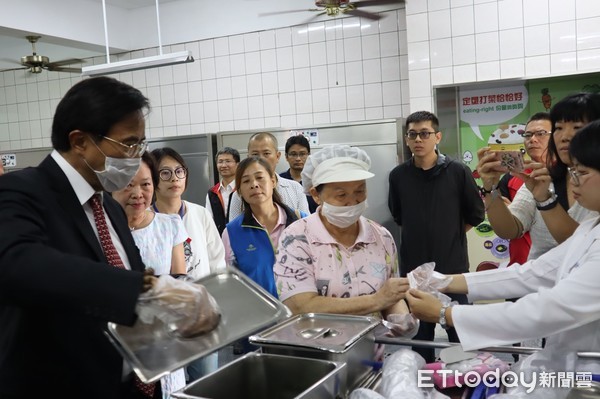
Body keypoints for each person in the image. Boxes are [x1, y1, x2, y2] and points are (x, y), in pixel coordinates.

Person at [0, 76, 202, 399]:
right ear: (80, 141)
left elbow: (127, 280)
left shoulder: (109, 204)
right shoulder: (21, 192)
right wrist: (144, 289)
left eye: (141, 145)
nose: (136, 157)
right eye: (128, 144)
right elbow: (17, 264)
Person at [407, 120, 600, 389]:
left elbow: (546, 310)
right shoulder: (591, 228)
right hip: (568, 367)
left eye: (581, 172)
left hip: (587, 375)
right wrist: (438, 280)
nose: (573, 180)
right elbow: (533, 272)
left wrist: (446, 314)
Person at [274, 145, 413, 332]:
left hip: (372, 351)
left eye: (359, 191)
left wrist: (403, 321)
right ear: (315, 195)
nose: (353, 201)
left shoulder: (381, 237)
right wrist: (375, 300)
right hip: (320, 354)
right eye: (341, 195)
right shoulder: (297, 239)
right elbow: (301, 306)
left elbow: (390, 298)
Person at [387, 110, 485, 362]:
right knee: (421, 340)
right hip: (415, 272)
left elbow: (475, 214)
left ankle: (462, 382)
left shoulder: (458, 172)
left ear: (437, 137)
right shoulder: (398, 176)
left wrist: (449, 232)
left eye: (425, 133)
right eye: (412, 134)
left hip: (452, 271)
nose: (418, 139)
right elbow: (399, 216)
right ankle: (425, 384)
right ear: (407, 139)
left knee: (460, 337)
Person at [477, 93, 600, 260]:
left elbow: (582, 248)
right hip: (539, 279)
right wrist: (491, 187)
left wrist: (545, 201)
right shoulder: (539, 180)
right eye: (559, 128)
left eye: (577, 127)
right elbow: (509, 230)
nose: (565, 137)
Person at [112, 151, 187, 397]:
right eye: (127, 185)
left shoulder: (170, 225)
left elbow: (179, 280)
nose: (137, 193)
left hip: (161, 343)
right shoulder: (102, 233)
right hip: (116, 347)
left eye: (145, 185)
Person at [151, 146, 225, 382]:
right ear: (153, 178)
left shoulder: (200, 213)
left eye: (179, 171)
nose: (174, 178)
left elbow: (216, 259)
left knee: (205, 382)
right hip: (162, 320)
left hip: (200, 315)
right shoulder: (147, 220)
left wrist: (214, 304)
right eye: (165, 173)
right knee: (170, 385)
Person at [222, 156, 306, 298]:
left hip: (300, 312)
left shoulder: (301, 221)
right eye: (246, 181)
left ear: (273, 182)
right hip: (260, 316)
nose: (254, 184)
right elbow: (230, 284)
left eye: (260, 178)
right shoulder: (232, 233)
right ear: (240, 191)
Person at [496, 113, 551, 265]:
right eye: (528, 135)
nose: (533, 139)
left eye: (541, 134)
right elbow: (508, 225)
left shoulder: (572, 176)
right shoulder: (513, 177)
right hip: (521, 264)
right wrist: (490, 189)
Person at [228, 132, 309, 220]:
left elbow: (306, 226)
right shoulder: (239, 195)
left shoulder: (296, 189)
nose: (261, 159)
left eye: (266, 153)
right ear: (248, 158)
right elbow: (234, 231)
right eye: (255, 154)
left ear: (277, 156)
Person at [205, 147, 240, 235]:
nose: (223, 165)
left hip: (243, 238)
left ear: (237, 164)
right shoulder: (212, 192)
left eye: (228, 161)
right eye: (220, 162)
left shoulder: (243, 189)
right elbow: (209, 220)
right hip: (220, 240)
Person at [280, 135, 318, 213]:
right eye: (293, 154)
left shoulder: (317, 180)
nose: (298, 158)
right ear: (286, 157)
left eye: (302, 154)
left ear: (309, 156)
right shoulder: (280, 181)